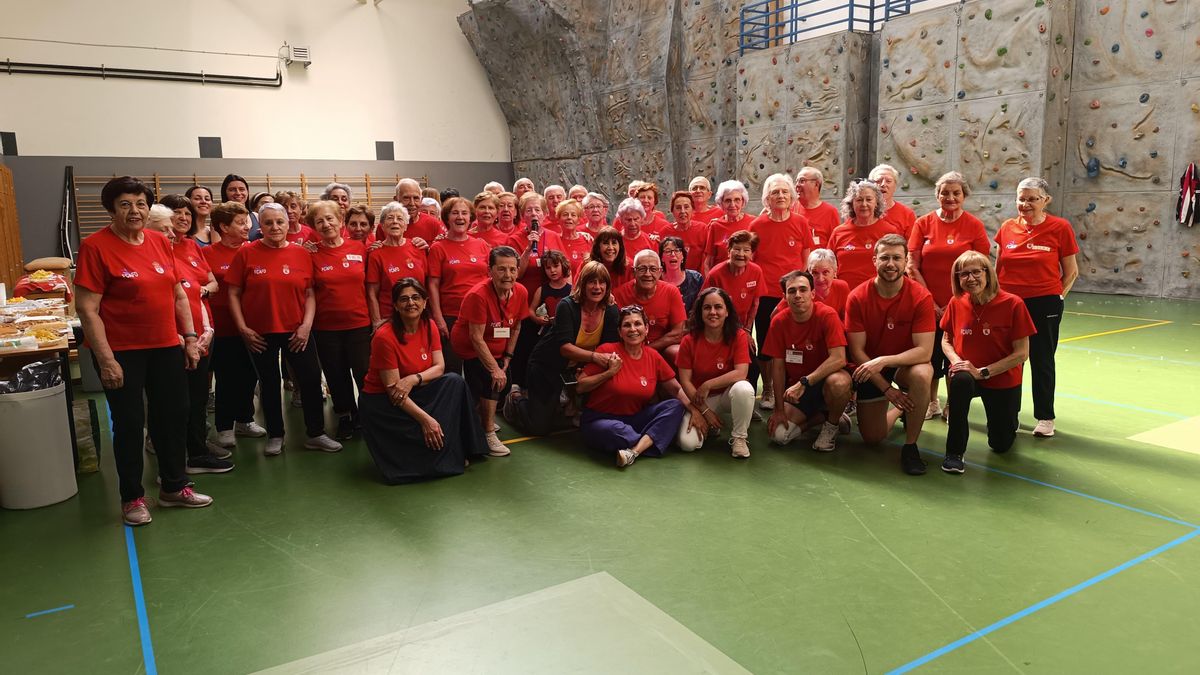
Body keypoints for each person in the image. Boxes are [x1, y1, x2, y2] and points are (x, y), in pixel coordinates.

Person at [75, 176, 212, 525]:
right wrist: (106, 360)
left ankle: (173, 486)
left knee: (173, 416)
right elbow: (87, 309)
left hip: (166, 344)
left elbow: (178, 293)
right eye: (125, 204)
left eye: (140, 204)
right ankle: (133, 497)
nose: (134, 211)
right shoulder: (96, 246)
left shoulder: (157, 240)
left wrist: (190, 337)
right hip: (122, 351)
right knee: (130, 423)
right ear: (111, 209)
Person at [226, 202, 342, 455]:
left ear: (288, 224)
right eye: (268, 223)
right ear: (261, 227)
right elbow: (233, 293)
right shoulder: (246, 253)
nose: (275, 227)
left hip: (297, 331)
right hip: (260, 333)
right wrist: (243, 329)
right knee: (269, 383)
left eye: (280, 222)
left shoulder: (301, 253)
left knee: (311, 380)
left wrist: (306, 326)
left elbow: (310, 293)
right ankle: (276, 435)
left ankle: (316, 433)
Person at [359, 278, 487, 483]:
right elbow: (395, 393)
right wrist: (426, 420)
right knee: (424, 441)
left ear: (425, 302)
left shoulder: (429, 326)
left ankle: (469, 448)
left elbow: (439, 367)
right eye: (404, 299)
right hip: (384, 403)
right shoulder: (384, 337)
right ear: (395, 306)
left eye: (416, 297)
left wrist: (413, 379)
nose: (411, 303)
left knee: (455, 382)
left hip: (413, 389)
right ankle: (440, 453)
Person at [994, 176, 1079, 438]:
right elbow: (998, 269)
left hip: (1045, 303)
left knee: (1042, 360)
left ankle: (1045, 417)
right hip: (1011, 304)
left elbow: (1072, 271)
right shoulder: (1007, 227)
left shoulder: (1060, 227)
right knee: (1010, 361)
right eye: (1022, 198)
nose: (1026, 204)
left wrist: (1057, 296)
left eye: (1032, 199)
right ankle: (1010, 414)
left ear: (1046, 200)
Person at [846, 234, 936, 475]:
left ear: (906, 261)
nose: (891, 264)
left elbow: (924, 350)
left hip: (901, 363)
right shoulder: (857, 297)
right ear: (874, 260)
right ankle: (904, 407)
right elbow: (857, 351)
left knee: (922, 373)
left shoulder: (920, 296)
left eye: (897, 258)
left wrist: (886, 360)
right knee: (872, 438)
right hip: (869, 367)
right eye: (885, 257)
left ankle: (910, 446)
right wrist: (888, 390)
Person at [939, 251, 1037, 473]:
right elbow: (946, 341)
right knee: (960, 382)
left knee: (1000, 445)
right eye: (964, 274)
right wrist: (958, 363)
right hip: (968, 375)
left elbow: (1022, 353)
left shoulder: (1013, 304)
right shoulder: (956, 302)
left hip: (1000, 378)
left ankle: (1008, 422)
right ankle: (954, 453)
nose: (971, 278)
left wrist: (983, 372)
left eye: (976, 272)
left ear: (988, 273)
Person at [907, 171, 990, 420]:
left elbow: (982, 267)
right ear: (937, 195)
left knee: (959, 356)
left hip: (963, 304)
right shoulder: (923, 223)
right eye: (945, 192)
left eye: (956, 193)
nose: (950, 197)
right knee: (930, 356)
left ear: (964, 196)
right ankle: (931, 401)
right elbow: (912, 266)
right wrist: (932, 303)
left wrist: (957, 302)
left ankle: (954, 403)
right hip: (926, 304)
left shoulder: (974, 225)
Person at [156, 195, 230, 473]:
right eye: (177, 214)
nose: (184, 218)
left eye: (187, 214)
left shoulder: (191, 247)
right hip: (174, 336)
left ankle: (197, 447)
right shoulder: (160, 250)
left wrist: (205, 290)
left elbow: (210, 281)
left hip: (202, 333)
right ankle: (183, 455)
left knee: (198, 397)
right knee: (178, 401)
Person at [504, 261, 620, 436]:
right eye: (591, 282)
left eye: (602, 282)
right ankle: (515, 398)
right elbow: (564, 348)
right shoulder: (567, 306)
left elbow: (609, 347)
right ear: (582, 284)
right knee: (539, 428)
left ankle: (565, 402)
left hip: (578, 367)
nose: (597, 287)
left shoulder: (611, 310)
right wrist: (595, 358)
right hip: (546, 365)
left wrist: (589, 368)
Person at [577, 305, 690, 468]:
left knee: (675, 405)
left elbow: (676, 389)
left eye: (637, 324)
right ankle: (653, 439)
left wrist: (696, 411)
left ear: (646, 328)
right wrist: (609, 373)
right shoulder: (607, 351)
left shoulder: (653, 356)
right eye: (627, 325)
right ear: (619, 332)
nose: (633, 329)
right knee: (616, 431)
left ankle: (633, 452)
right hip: (601, 420)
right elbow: (580, 386)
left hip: (635, 419)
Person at [450, 246, 529, 457]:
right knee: (491, 382)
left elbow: (516, 326)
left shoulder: (520, 292)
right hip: (472, 348)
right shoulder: (478, 295)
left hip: (498, 345)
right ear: (490, 270)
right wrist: (495, 369)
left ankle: (480, 419)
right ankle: (486, 432)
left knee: (502, 386)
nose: (508, 275)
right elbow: (475, 337)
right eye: (501, 269)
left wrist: (508, 357)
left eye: (512, 270)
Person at [202, 201, 267, 453]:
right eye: (240, 223)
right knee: (227, 378)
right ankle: (224, 426)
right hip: (222, 326)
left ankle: (245, 420)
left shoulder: (253, 250)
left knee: (249, 375)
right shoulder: (207, 253)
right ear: (223, 227)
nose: (247, 227)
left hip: (252, 326)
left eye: (247, 221)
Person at [764, 270, 853, 452]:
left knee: (839, 383)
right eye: (792, 291)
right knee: (779, 436)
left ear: (812, 293)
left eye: (803, 289)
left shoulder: (827, 315)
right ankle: (824, 416)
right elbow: (778, 368)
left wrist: (805, 382)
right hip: (798, 388)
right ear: (784, 296)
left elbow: (839, 358)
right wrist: (779, 409)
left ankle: (831, 426)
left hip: (824, 380)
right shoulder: (779, 322)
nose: (798, 295)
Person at [749, 173, 815, 409]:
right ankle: (767, 389)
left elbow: (806, 252)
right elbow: (752, 259)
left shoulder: (800, 222)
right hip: (766, 293)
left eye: (784, 192)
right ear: (767, 197)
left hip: (794, 293)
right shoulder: (756, 226)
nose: (780, 196)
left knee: (794, 342)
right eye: (775, 192)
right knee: (767, 342)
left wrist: (801, 282)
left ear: (792, 196)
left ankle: (792, 388)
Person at [309, 199, 371, 440]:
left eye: (330, 218)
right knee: (336, 374)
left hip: (359, 324)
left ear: (340, 221)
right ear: (314, 226)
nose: (326, 224)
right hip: (326, 327)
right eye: (319, 221)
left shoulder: (360, 249)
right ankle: (345, 416)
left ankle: (367, 415)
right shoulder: (310, 253)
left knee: (364, 373)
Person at [675, 288, 755, 457]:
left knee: (744, 389)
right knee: (687, 444)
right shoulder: (689, 340)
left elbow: (741, 372)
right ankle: (711, 426)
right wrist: (704, 411)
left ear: (727, 312)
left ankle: (739, 438)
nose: (713, 312)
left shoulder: (738, 336)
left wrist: (708, 384)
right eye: (707, 308)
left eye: (718, 307)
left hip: (727, 395)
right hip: (700, 399)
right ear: (700, 312)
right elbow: (685, 381)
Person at [427, 197, 492, 374]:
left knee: (480, 369)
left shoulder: (482, 245)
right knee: (452, 370)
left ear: (471, 218)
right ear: (447, 218)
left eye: (464, 213)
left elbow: (490, 279)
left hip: (480, 316)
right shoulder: (438, 248)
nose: (460, 217)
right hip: (451, 317)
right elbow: (432, 285)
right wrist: (438, 319)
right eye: (455, 213)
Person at [613, 249, 687, 363]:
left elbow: (677, 333)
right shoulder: (618, 294)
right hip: (628, 349)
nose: (648, 274)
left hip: (661, 349)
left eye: (653, 269)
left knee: (676, 352)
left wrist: (647, 350)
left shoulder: (671, 292)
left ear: (660, 271)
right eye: (642, 269)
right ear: (633, 271)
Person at [828, 180, 900, 292]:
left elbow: (897, 266)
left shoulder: (889, 231)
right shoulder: (838, 232)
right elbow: (829, 266)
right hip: (845, 295)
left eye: (869, 199)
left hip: (878, 294)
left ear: (877, 203)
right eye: (859, 200)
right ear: (852, 203)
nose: (864, 204)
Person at [367, 202, 426, 328]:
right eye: (390, 218)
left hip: (419, 317)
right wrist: (377, 322)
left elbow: (426, 285)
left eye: (400, 218)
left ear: (405, 226)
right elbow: (372, 293)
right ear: (382, 226)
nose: (395, 221)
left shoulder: (418, 248)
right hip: (389, 319)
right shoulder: (376, 254)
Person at [702, 230, 764, 331]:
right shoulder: (715, 274)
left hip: (744, 326)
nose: (741, 254)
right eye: (737, 249)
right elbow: (705, 305)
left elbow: (755, 304)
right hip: (718, 326)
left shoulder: (756, 271)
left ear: (752, 254)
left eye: (746, 250)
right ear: (728, 251)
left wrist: (747, 329)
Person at [704, 180, 756, 272]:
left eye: (737, 200)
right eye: (728, 200)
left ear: (743, 202)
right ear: (721, 204)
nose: (732, 205)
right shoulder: (715, 226)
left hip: (747, 279)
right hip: (721, 280)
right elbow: (708, 263)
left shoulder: (753, 222)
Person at [792, 167, 840, 246]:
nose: (797, 185)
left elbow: (835, 244)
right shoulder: (791, 208)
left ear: (816, 184)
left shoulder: (830, 212)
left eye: (802, 181)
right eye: (797, 181)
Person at [388, 178, 443, 244]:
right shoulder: (386, 226)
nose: (412, 203)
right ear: (396, 200)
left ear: (421, 200)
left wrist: (428, 249)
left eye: (416, 198)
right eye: (406, 198)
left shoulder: (433, 224)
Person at [869, 164, 916, 238]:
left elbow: (911, 246)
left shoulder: (907, 214)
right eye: (878, 181)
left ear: (895, 186)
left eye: (888, 181)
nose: (883, 184)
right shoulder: (861, 211)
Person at [667, 190, 709, 273]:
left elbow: (708, 259)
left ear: (693, 209)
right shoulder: (665, 232)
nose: (683, 211)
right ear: (672, 211)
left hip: (698, 279)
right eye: (678, 208)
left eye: (686, 207)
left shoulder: (702, 229)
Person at [659, 236, 703, 313]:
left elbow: (701, 307)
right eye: (668, 251)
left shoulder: (696, 278)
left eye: (677, 250)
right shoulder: (656, 280)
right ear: (662, 258)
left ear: (683, 256)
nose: (673, 254)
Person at [806, 248, 850, 317]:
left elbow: (847, 319)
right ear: (809, 272)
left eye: (825, 272)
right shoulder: (801, 290)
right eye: (815, 273)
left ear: (835, 272)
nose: (820, 279)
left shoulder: (841, 287)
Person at [556, 199, 594, 273]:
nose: (569, 217)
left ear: (579, 220)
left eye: (573, 215)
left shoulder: (588, 240)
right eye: (565, 214)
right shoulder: (554, 239)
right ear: (558, 219)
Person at [221, 174, 256, 240]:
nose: (238, 193)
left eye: (242, 189)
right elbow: (217, 249)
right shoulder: (219, 219)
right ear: (225, 193)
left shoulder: (257, 217)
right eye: (232, 190)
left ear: (247, 192)